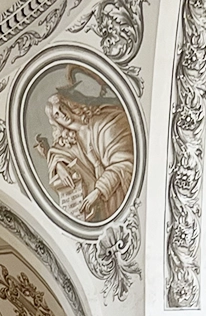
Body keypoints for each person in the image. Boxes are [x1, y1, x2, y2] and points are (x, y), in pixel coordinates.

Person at [39, 88, 136, 223]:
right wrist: (59, 166)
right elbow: (55, 154)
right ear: (56, 122)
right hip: (101, 207)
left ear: (68, 104)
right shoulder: (71, 141)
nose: (62, 115)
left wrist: (98, 192)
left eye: (61, 108)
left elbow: (124, 163)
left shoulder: (104, 123)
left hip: (118, 197)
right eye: (56, 115)